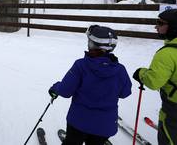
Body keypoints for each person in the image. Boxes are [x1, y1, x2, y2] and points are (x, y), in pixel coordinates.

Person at [49, 25, 132, 145]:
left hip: (79, 122)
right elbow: (125, 93)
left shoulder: (81, 65)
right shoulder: (120, 70)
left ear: (92, 44)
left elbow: (65, 90)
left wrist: (55, 87)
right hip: (105, 125)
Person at [133, 9, 177, 145]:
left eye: (160, 23)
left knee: (168, 138)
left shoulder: (167, 54)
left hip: (173, 108)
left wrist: (141, 73)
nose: (156, 26)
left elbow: (153, 82)